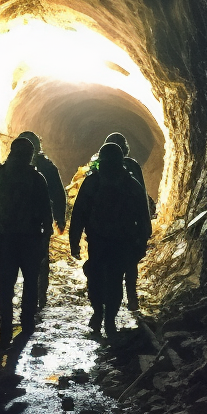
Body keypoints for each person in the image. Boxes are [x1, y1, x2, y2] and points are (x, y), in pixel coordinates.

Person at [69, 142, 151, 338]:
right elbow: (143, 216)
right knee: (113, 280)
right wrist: (141, 243)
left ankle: (101, 315)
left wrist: (75, 242)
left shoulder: (92, 183)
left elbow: (78, 214)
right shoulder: (130, 184)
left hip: (100, 241)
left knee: (97, 279)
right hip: (119, 242)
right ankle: (107, 319)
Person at [0, 136, 54, 351]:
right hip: (30, 239)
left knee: (5, 285)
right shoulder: (36, 178)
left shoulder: (0, 175)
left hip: (6, 239)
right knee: (30, 283)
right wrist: (45, 239)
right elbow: (45, 212)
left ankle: (5, 330)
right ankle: (27, 323)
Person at [17, 130, 68, 309]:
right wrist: (59, 219)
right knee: (39, 262)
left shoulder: (7, 170)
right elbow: (58, 194)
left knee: (28, 262)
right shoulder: (45, 169)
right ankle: (37, 297)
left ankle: (29, 298)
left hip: (19, 226)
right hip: (35, 226)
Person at [102, 131, 150, 310]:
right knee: (129, 265)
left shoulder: (98, 169)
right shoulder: (131, 168)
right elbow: (141, 197)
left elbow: (85, 201)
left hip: (104, 230)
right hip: (127, 229)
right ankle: (130, 298)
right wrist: (145, 227)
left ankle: (108, 306)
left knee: (110, 267)